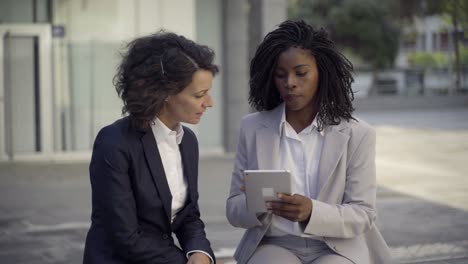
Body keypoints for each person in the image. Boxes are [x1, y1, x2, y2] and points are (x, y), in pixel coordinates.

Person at [226, 20, 392, 264]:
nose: (289, 82)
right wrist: (256, 203)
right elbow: (233, 210)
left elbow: (363, 214)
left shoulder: (358, 134)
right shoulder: (252, 128)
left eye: (300, 73)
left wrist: (311, 211)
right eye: (280, 75)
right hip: (274, 243)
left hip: (336, 247)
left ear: (321, 72)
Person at [83, 31, 218, 264]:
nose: (210, 102)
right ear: (165, 93)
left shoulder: (188, 142)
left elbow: (188, 215)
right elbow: (126, 237)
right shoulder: (114, 143)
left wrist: (199, 252)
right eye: (200, 95)